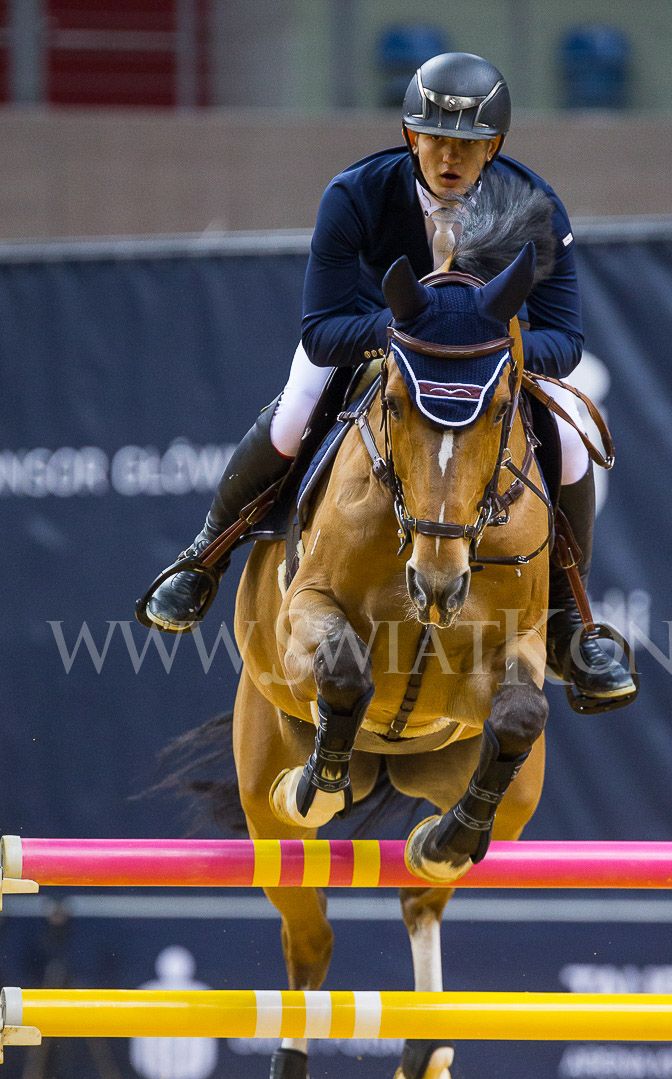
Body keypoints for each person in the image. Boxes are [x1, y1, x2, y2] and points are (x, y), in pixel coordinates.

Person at [142, 51, 635, 706]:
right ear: (410, 135)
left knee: (570, 441)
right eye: (434, 138)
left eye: (467, 143)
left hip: (483, 364)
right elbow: (321, 330)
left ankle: (570, 620)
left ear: (494, 146)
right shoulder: (355, 193)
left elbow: (565, 340)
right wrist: (409, 337)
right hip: (376, 345)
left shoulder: (534, 206)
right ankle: (205, 556)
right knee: (294, 414)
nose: (449, 156)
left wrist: (487, 349)